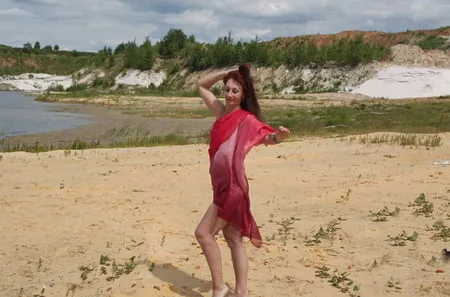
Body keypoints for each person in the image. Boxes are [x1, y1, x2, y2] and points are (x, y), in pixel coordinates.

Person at [194, 64, 290, 297]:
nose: (229, 95)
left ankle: (219, 288)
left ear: (243, 95)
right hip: (222, 186)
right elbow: (201, 85)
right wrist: (225, 73)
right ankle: (241, 293)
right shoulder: (220, 111)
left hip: (233, 188)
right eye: (227, 89)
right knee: (233, 238)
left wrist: (279, 137)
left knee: (203, 234)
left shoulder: (246, 119)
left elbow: (265, 137)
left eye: (235, 91)